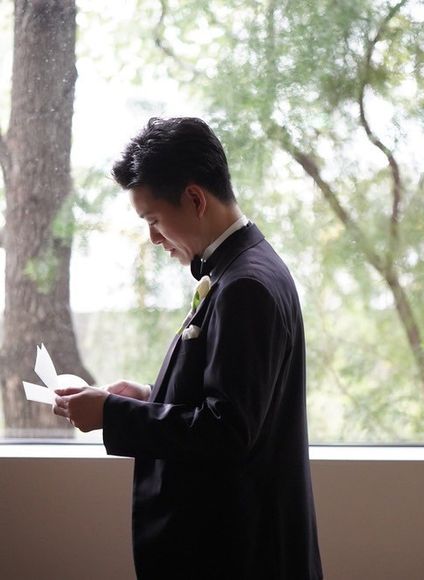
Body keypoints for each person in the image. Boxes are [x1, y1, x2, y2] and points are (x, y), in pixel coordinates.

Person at [53, 117, 323, 580]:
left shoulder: (246, 286)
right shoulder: (243, 268)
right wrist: (147, 395)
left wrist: (112, 415)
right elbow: (230, 392)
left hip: (239, 554)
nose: (154, 239)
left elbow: (227, 430)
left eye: (154, 220)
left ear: (195, 199)